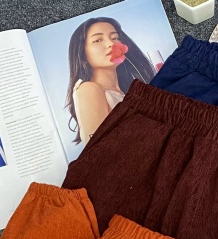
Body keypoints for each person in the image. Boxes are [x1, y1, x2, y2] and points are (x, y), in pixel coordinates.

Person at [65, 16, 156, 144]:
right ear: (82, 53)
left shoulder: (127, 93)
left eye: (115, 38)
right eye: (97, 40)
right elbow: (99, 149)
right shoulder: (88, 89)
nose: (111, 44)